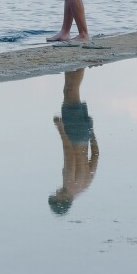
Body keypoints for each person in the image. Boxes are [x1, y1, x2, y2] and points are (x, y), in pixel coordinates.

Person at [49, 69, 99, 215]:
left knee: (71, 91)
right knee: (70, 91)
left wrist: (91, 131)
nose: (56, 192)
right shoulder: (70, 185)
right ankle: (79, 62)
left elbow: (95, 155)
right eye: (56, 196)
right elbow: (69, 155)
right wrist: (60, 129)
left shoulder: (84, 186)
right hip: (74, 134)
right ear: (61, 200)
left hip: (84, 135)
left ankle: (75, 63)